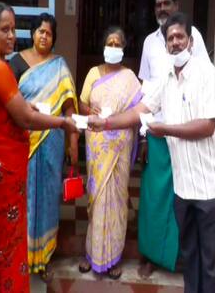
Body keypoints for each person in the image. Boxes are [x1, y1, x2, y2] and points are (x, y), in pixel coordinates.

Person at [89, 12, 215, 293]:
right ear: (166, 44)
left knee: (213, 266)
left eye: (180, 36)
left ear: (191, 41)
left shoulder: (206, 75)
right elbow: (139, 111)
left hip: (212, 189)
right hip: (184, 188)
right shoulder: (166, 78)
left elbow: (207, 126)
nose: (175, 42)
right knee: (191, 258)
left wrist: (164, 129)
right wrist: (105, 123)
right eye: (170, 38)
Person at [0, 2, 78, 292]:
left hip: (7, 164)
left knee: (3, 241)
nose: (11, 35)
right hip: (5, 167)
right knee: (6, 244)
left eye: (13, 29)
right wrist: (63, 123)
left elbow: (16, 108)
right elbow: (25, 118)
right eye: (4, 29)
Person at [137, 0, 210, 278]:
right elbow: (144, 90)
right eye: (158, 4)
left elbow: (203, 78)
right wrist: (143, 135)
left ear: (176, 5)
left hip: (185, 132)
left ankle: (180, 256)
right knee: (154, 197)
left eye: (167, 3)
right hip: (157, 132)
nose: (162, 9)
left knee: (184, 197)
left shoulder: (194, 37)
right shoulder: (149, 43)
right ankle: (151, 255)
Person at [9, 13, 79, 282]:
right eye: (40, 31)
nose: (44, 36)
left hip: (52, 141)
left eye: (49, 33)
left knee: (48, 196)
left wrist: (73, 142)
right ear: (32, 33)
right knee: (23, 197)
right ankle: (23, 256)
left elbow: (69, 107)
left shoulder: (59, 66)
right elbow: (9, 101)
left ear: (54, 38)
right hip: (24, 140)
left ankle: (45, 257)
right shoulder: (17, 62)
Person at [77, 26, 142, 280]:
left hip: (120, 146)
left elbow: (139, 110)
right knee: (97, 199)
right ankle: (91, 253)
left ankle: (114, 257)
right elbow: (82, 102)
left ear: (123, 48)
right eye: (109, 43)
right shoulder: (93, 73)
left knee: (117, 199)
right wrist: (89, 112)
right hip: (97, 145)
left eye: (117, 44)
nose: (113, 47)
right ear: (103, 46)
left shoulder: (130, 77)